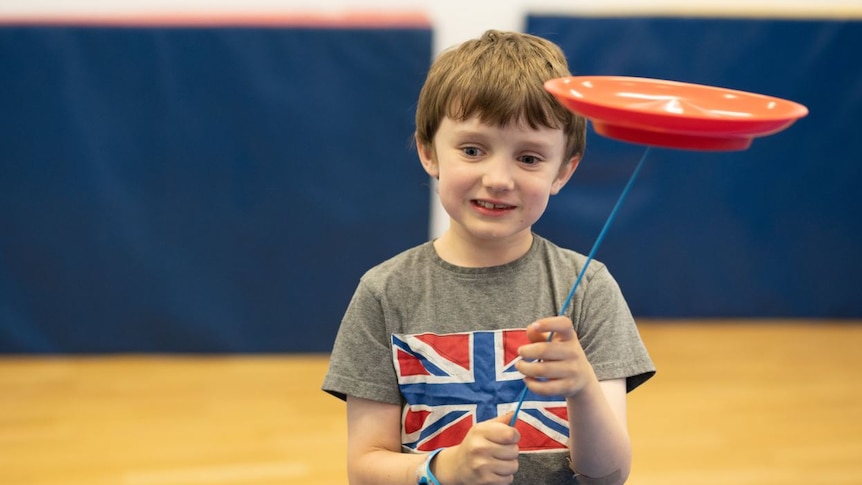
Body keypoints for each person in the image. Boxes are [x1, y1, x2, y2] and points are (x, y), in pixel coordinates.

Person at [323, 29, 655, 485]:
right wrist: (444, 468)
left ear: (565, 170)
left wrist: (581, 390)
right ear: (428, 151)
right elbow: (364, 469)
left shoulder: (589, 286)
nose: (499, 178)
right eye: (473, 150)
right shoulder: (384, 292)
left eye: (530, 158)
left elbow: (610, 475)